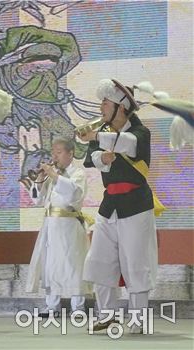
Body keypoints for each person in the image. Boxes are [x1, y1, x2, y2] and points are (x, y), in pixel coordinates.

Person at [79, 79, 158, 334]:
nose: (101, 106)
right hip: (109, 204)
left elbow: (129, 144)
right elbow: (88, 159)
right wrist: (100, 156)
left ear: (121, 107)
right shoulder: (102, 129)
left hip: (136, 205)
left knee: (135, 263)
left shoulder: (140, 132)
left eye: (105, 102)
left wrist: (99, 138)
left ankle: (138, 319)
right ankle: (108, 315)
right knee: (99, 260)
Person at [23, 137, 92, 317]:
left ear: (71, 154)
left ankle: (78, 307)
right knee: (50, 264)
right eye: (53, 153)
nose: (55, 157)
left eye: (59, 153)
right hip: (50, 225)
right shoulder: (51, 177)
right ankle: (52, 306)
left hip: (69, 225)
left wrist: (54, 175)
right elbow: (37, 199)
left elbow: (74, 195)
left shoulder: (77, 174)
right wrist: (39, 178)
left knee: (73, 264)